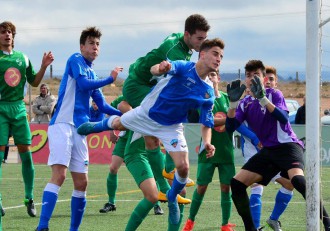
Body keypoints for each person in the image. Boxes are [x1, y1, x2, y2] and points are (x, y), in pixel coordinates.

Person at [78, 38, 224, 227]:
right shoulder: (183, 67)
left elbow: (207, 122)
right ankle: (95, 126)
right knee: (120, 124)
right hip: (148, 113)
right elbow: (156, 69)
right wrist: (160, 68)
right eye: (215, 53)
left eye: (221, 56)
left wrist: (207, 142)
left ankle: (172, 198)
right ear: (202, 54)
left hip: (171, 127)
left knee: (184, 168)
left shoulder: (208, 92)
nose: (219, 58)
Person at [225, 59, 330, 231]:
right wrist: (232, 105)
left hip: (288, 146)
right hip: (268, 151)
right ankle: (250, 229)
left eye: (256, 75)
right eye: (248, 76)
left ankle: (327, 221)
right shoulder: (244, 103)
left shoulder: (274, 94)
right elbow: (230, 127)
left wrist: (263, 99)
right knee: (236, 184)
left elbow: (283, 118)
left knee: (296, 180)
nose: (251, 79)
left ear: (264, 79)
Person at [35, 26, 122, 231]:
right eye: (91, 43)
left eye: (98, 44)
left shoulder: (91, 73)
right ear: (82, 46)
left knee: (82, 183)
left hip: (79, 130)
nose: (95, 47)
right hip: (62, 125)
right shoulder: (75, 59)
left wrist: (122, 114)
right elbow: (83, 85)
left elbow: (101, 105)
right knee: (60, 175)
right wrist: (110, 79)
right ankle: (42, 226)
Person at [0, 21, 54, 222]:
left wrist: (43, 66)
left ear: (14, 36)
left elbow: (34, 82)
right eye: (3, 32)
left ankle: (29, 197)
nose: (7, 35)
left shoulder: (22, 58)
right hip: (1, 109)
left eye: (10, 32)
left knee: (26, 154)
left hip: (18, 108)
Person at [237, 66, 295, 230]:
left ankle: (273, 219)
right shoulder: (249, 97)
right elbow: (238, 124)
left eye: (271, 79)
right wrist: (255, 138)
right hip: (252, 151)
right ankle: (255, 227)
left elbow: (282, 122)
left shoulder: (275, 100)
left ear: (276, 82)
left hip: (272, 153)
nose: (268, 82)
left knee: (290, 184)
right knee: (257, 187)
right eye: (266, 78)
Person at [182, 71, 236, 231]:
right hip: (207, 151)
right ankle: (190, 221)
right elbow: (208, 121)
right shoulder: (203, 99)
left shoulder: (228, 99)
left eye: (213, 75)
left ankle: (225, 224)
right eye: (208, 76)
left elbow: (237, 119)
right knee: (201, 187)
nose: (210, 78)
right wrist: (230, 119)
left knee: (226, 188)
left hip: (226, 151)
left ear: (218, 78)